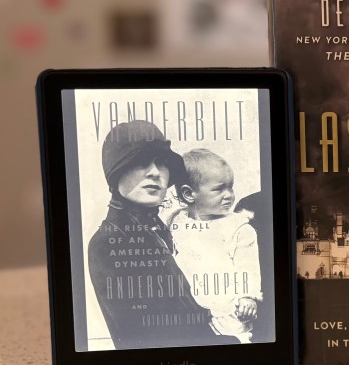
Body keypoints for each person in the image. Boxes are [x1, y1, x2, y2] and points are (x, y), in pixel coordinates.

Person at [86, 120, 233, 349]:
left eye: (162, 163)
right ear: (116, 172)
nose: (155, 173)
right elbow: (152, 337)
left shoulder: (157, 229)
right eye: (141, 162)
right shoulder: (109, 243)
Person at [170, 149, 262, 343]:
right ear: (188, 194)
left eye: (230, 187)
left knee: (235, 342)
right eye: (219, 189)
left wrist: (248, 296)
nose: (229, 195)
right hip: (189, 310)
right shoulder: (176, 222)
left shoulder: (239, 228)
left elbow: (248, 265)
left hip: (228, 311)